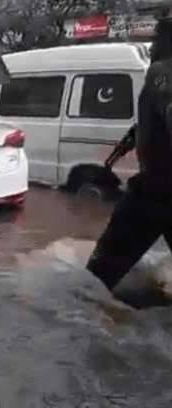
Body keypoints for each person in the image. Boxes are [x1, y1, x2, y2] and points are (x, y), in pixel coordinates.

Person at [87, 18, 172, 308]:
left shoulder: (163, 73)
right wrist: (113, 158)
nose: (151, 47)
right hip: (158, 191)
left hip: (154, 194)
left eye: (156, 39)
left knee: (96, 278)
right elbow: (145, 128)